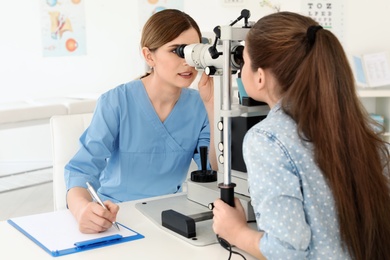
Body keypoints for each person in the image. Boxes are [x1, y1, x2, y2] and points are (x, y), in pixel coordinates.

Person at [212, 11, 390, 259]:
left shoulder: (266, 139)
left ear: (260, 76)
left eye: (244, 62)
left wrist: (236, 231)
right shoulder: (364, 128)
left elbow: (286, 251)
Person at [64, 9, 217, 234]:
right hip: (117, 215)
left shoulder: (200, 105)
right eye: (177, 51)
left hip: (171, 215)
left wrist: (213, 106)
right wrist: (82, 211)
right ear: (149, 56)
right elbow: (80, 170)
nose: (188, 62)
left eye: (194, 51)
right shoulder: (116, 102)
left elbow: (212, 169)